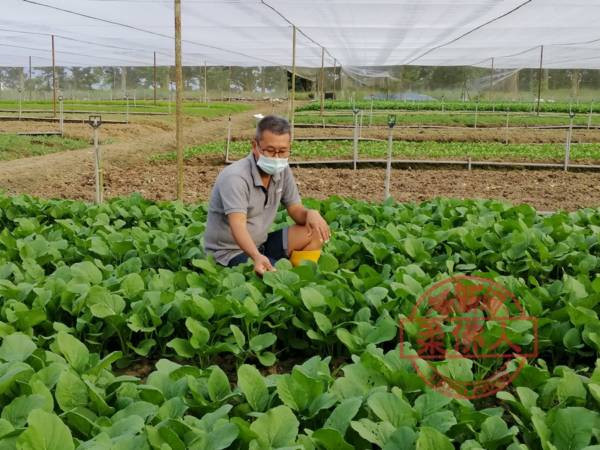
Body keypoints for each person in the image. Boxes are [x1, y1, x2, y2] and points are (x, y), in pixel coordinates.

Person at [204, 115, 330, 275]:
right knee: (276, 275)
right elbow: (238, 226)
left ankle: (300, 277)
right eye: (270, 151)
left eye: (283, 151)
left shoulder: (283, 170)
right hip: (228, 253)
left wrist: (311, 214)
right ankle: (285, 274)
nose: (277, 157)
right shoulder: (236, 177)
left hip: (260, 245)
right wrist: (256, 257)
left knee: (313, 233)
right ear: (255, 146)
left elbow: (295, 209)